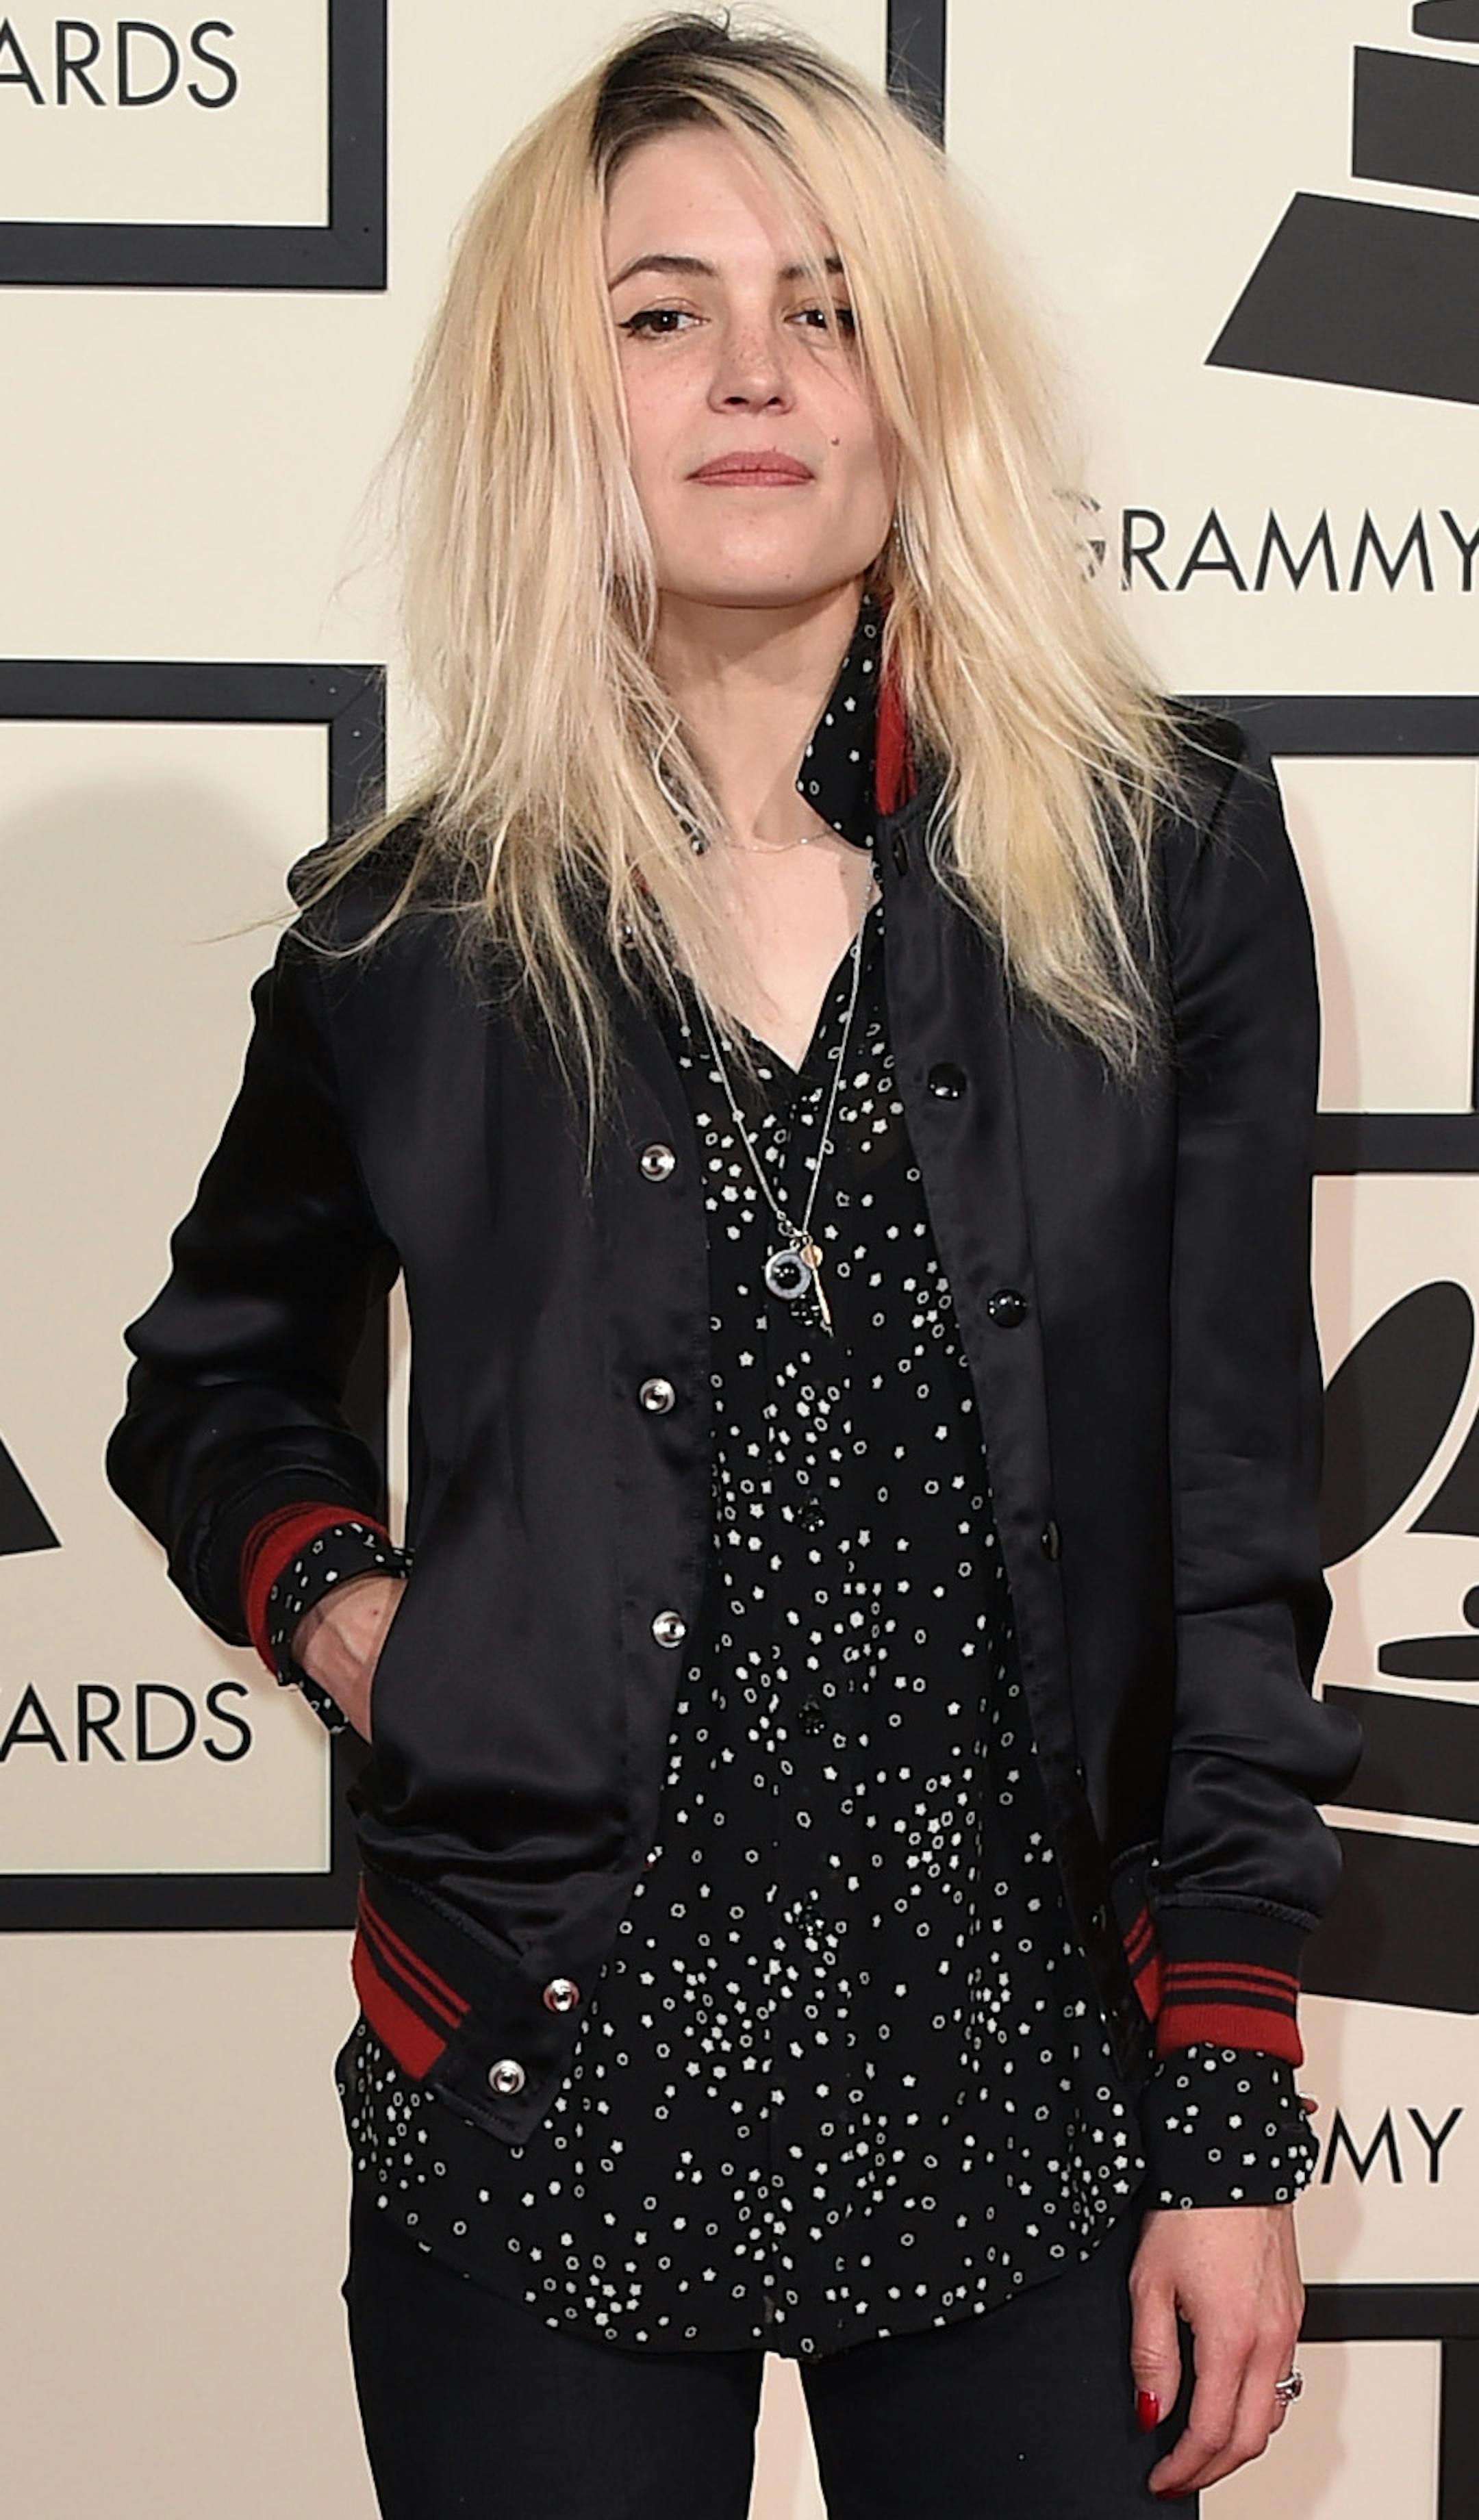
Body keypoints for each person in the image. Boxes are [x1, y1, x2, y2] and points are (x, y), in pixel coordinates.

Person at [104, 12, 1362, 2515]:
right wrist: (349, 1602)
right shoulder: (414, 932)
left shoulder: (1162, 852)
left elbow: (1233, 1519)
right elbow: (212, 1382)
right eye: (662, 311)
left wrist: (1224, 2119)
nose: (758, 374)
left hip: (1025, 2105)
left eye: (829, 302)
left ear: (923, 378)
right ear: (553, 394)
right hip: (534, 2091)